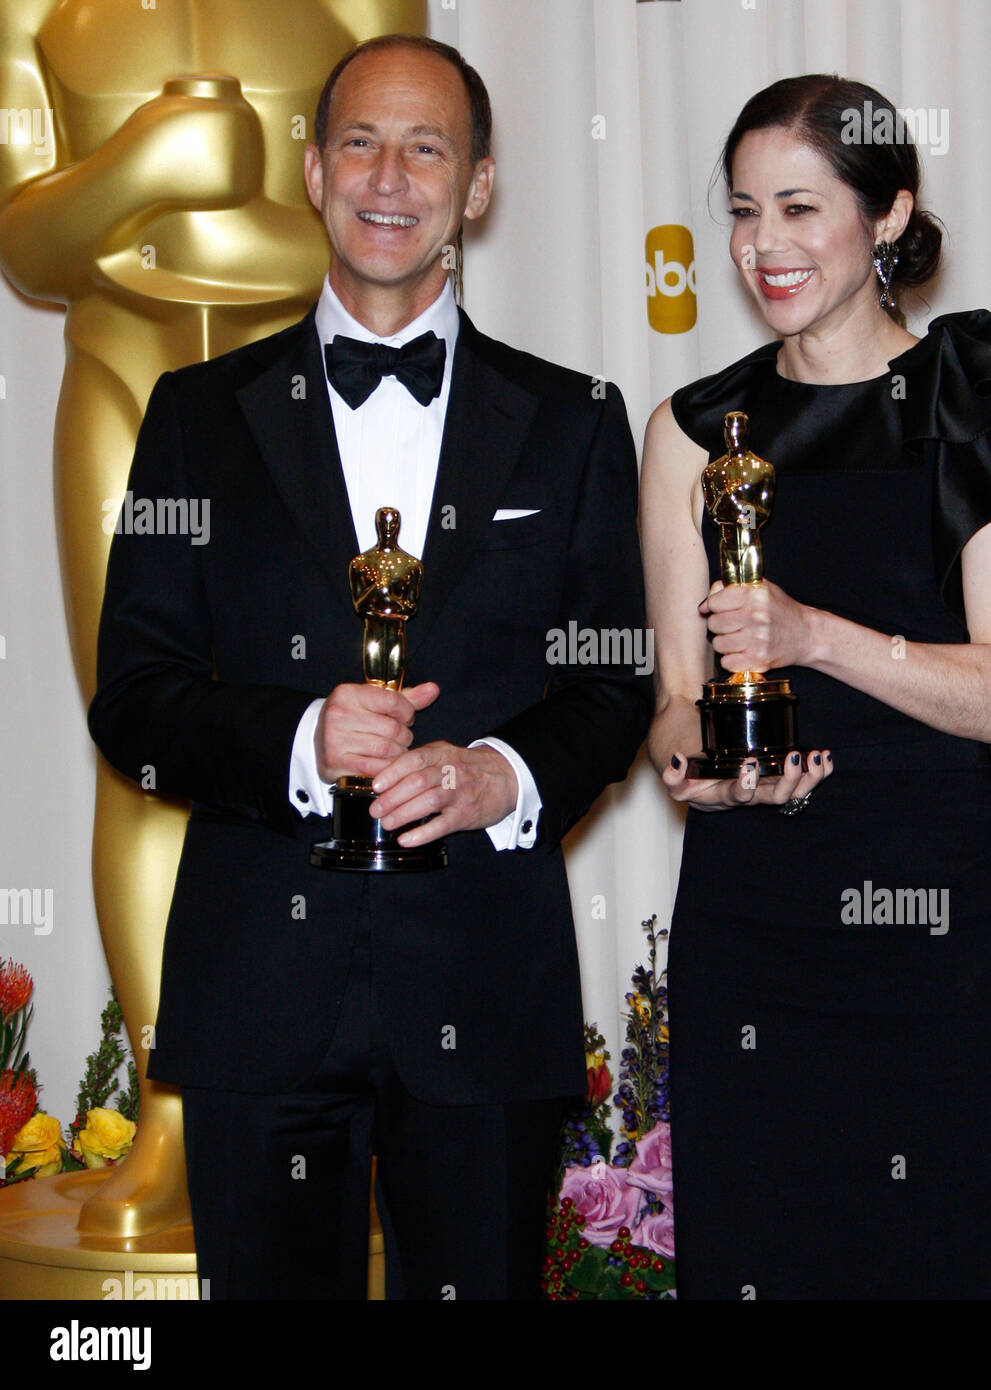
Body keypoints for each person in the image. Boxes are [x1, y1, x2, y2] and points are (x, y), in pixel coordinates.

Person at [88, 34, 650, 1299]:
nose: (389, 176)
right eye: (361, 140)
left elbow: (613, 676)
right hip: (257, 1002)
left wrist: (500, 777)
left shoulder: (575, 421)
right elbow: (135, 699)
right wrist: (299, 742)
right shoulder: (190, 415)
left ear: (481, 184)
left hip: (484, 990)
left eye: (428, 145)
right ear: (310, 167)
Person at [640, 74, 991, 1299]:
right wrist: (702, 770)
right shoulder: (691, 433)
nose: (763, 246)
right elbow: (676, 700)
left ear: (889, 213)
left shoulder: (988, 417)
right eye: (744, 212)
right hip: (754, 919)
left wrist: (811, 634)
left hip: (931, 923)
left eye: (800, 208)